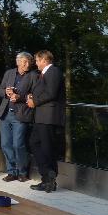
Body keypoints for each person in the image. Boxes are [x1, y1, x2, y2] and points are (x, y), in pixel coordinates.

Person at [27, 50, 66, 192]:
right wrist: (32, 96)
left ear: (44, 60)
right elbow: (44, 91)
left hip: (49, 116)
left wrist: (35, 101)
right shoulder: (44, 74)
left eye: (37, 60)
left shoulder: (53, 71)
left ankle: (50, 179)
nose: (36, 63)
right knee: (35, 143)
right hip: (41, 116)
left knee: (47, 147)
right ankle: (46, 175)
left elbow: (51, 92)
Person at [0, 52, 36, 182]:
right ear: (18, 62)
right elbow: (0, 90)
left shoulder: (33, 75)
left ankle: (22, 172)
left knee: (18, 144)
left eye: (29, 62)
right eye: (25, 61)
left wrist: (20, 97)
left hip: (21, 114)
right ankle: (11, 171)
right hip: (5, 113)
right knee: (5, 144)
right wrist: (6, 93)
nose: (27, 64)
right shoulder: (9, 73)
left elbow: (35, 94)